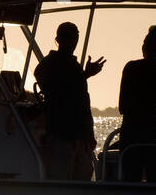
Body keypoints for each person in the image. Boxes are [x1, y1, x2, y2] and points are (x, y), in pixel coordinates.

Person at [34, 22, 104, 180]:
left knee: (83, 178)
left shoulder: (75, 66)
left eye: (74, 36)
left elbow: (82, 103)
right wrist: (85, 75)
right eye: (67, 36)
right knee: (60, 180)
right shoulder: (48, 65)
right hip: (61, 135)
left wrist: (89, 134)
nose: (72, 40)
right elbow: (56, 91)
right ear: (57, 39)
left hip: (80, 136)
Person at [118, 24, 156, 182]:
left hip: (133, 136)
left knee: (130, 182)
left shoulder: (131, 68)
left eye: (145, 42)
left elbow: (123, 106)